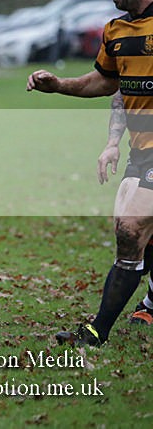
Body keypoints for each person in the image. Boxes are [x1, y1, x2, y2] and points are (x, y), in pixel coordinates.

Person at [27, 0, 153, 346]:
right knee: (135, 232)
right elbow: (107, 83)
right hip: (141, 151)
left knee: (131, 229)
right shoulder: (116, 31)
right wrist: (58, 85)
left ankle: (97, 331)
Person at [97, 91, 153, 326]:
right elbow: (121, 92)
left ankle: (99, 330)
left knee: (136, 230)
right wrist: (112, 143)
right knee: (131, 235)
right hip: (141, 154)